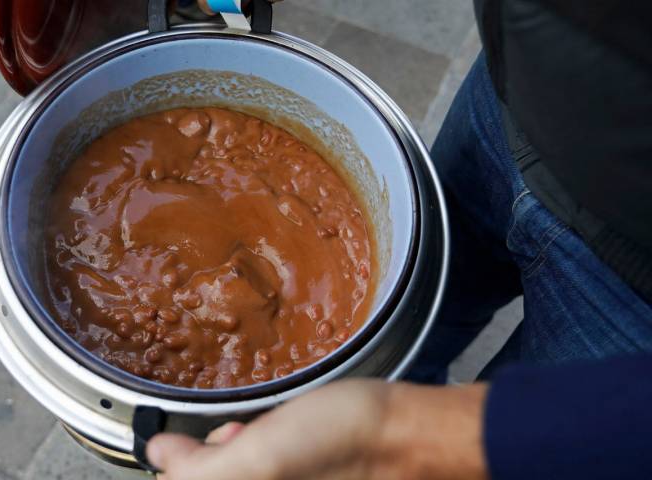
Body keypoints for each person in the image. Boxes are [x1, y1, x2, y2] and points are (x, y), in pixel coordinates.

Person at [146, 2, 652, 478]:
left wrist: (395, 434)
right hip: (520, 83)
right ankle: (411, 377)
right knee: (425, 304)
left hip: (634, 298)